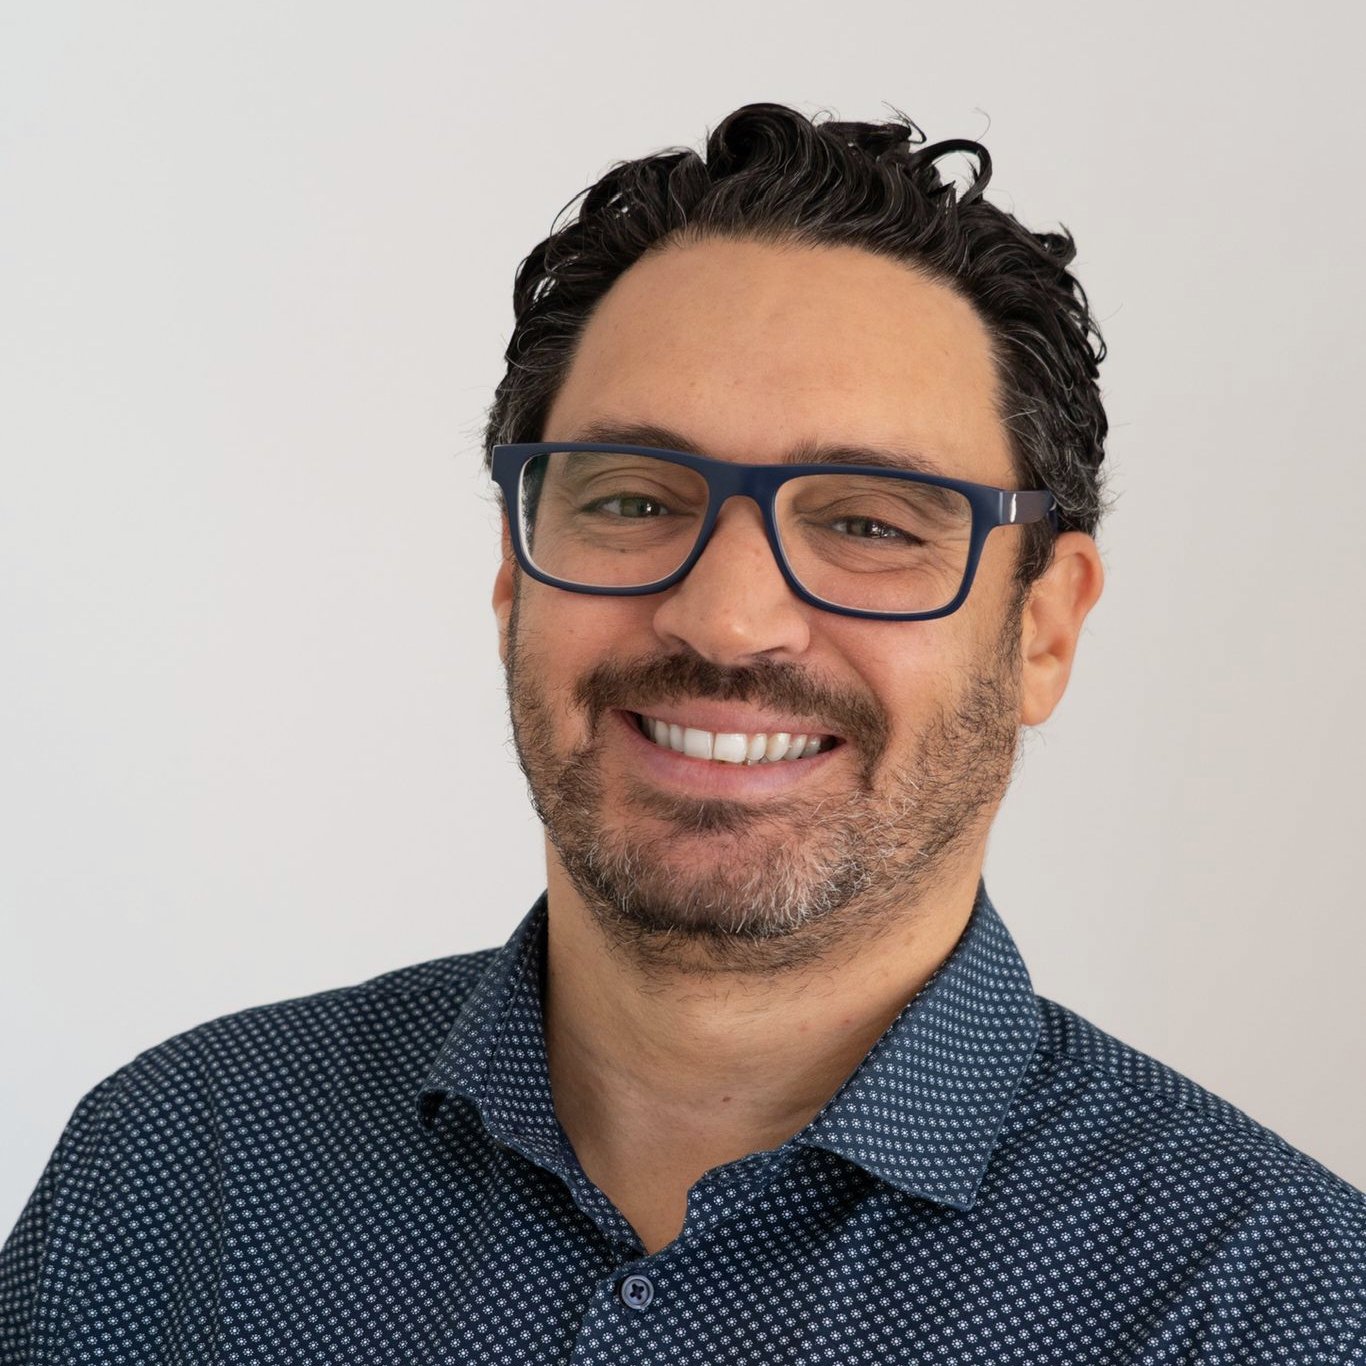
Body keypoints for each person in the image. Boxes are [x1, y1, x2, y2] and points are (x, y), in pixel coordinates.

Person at [2, 100, 1362, 1365]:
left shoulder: (1279, 1306)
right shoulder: (173, 1174)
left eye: (869, 523)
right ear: (509, 574)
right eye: (632, 500)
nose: (726, 618)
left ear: (1043, 629)